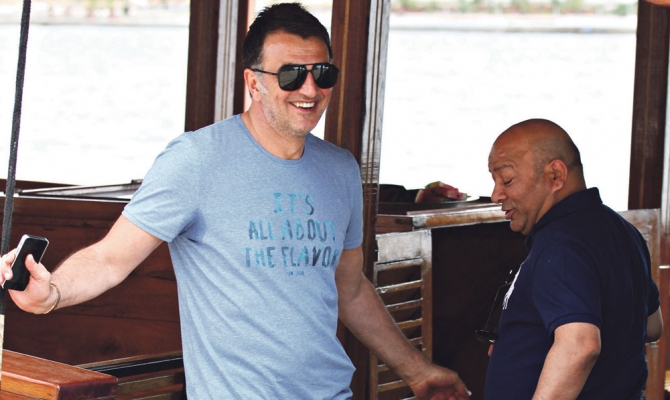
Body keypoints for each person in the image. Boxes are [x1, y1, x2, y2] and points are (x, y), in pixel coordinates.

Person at [0, 3, 470, 399]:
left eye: (322, 73)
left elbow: (349, 289)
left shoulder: (341, 169)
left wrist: (417, 371)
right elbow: (109, 259)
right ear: (253, 81)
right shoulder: (196, 159)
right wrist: (52, 293)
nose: (309, 89)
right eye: (291, 75)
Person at [484, 118, 663, 399]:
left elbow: (580, 346)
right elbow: (652, 326)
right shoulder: (622, 230)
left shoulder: (560, 243)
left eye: (507, 180)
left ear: (556, 175)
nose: (496, 195)